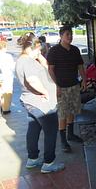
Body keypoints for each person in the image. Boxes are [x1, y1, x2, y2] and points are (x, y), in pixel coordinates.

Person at [15, 33, 64, 173]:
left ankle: (33, 158)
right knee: (51, 132)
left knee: (34, 129)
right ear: (31, 47)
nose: (40, 52)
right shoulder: (28, 62)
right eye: (38, 49)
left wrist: (39, 57)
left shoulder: (22, 60)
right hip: (41, 104)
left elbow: (45, 66)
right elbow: (31, 80)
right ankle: (49, 163)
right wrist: (46, 92)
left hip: (31, 102)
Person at [47, 26, 86, 152]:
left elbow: (80, 66)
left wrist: (84, 80)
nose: (70, 36)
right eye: (67, 34)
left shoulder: (75, 50)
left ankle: (71, 134)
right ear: (61, 36)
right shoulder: (54, 51)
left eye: (71, 34)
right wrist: (56, 86)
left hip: (74, 85)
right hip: (61, 87)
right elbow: (50, 70)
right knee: (62, 114)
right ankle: (63, 141)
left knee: (72, 111)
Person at [0, 36, 15, 115]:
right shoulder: (8, 56)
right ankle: (5, 109)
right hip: (7, 77)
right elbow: (12, 67)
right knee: (6, 93)